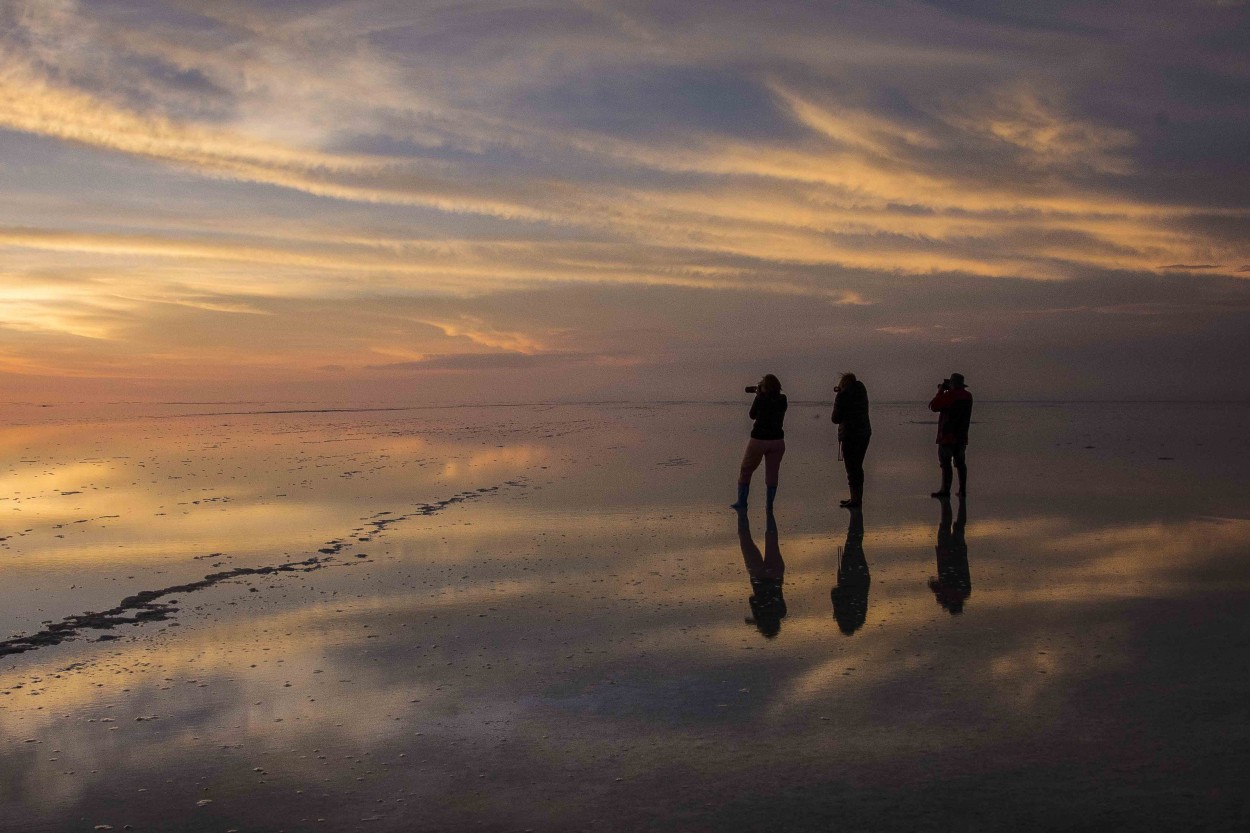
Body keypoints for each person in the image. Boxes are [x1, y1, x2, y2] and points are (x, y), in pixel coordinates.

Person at [730, 374, 786, 512]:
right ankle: (769, 505)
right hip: (777, 441)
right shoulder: (783, 399)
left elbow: (752, 415)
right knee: (772, 473)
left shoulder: (760, 399)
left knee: (746, 470)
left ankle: (742, 502)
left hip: (759, 439)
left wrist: (758, 395)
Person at [739, 507, 786, 638]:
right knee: (745, 541)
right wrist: (756, 620)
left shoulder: (781, 612)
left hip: (776, 574)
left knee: (772, 539)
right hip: (758, 576)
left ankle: (770, 509)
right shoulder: (760, 613)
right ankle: (742, 515)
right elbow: (752, 599)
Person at [928, 372, 972, 497]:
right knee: (961, 463)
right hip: (962, 436)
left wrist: (940, 391)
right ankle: (962, 490)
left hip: (947, 436)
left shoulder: (951, 396)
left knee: (945, 464)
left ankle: (945, 490)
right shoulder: (968, 396)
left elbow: (934, 406)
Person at [831, 372, 871, 508]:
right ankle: (857, 498)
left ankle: (855, 500)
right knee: (857, 466)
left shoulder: (842, 396)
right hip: (864, 432)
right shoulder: (862, 391)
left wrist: (839, 395)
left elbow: (835, 418)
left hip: (850, 434)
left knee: (852, 469)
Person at [831, 507, 870, 635]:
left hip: (861, 578)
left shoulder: (860, 614)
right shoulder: (846, 610)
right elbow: (835, 592)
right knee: (853, 542)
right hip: (851, 576)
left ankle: (856, 517)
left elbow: (835, 592)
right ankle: (856, 516)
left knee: (856, 543)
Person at [928, 496, 971, 615]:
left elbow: (933, 584)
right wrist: (942, 601)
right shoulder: (946, 595)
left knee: (959, 526)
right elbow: (932, 583)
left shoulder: (965, 592)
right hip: (945, 554)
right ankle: (948, 501)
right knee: (945, 524)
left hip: (958, 554)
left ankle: (954, 501)